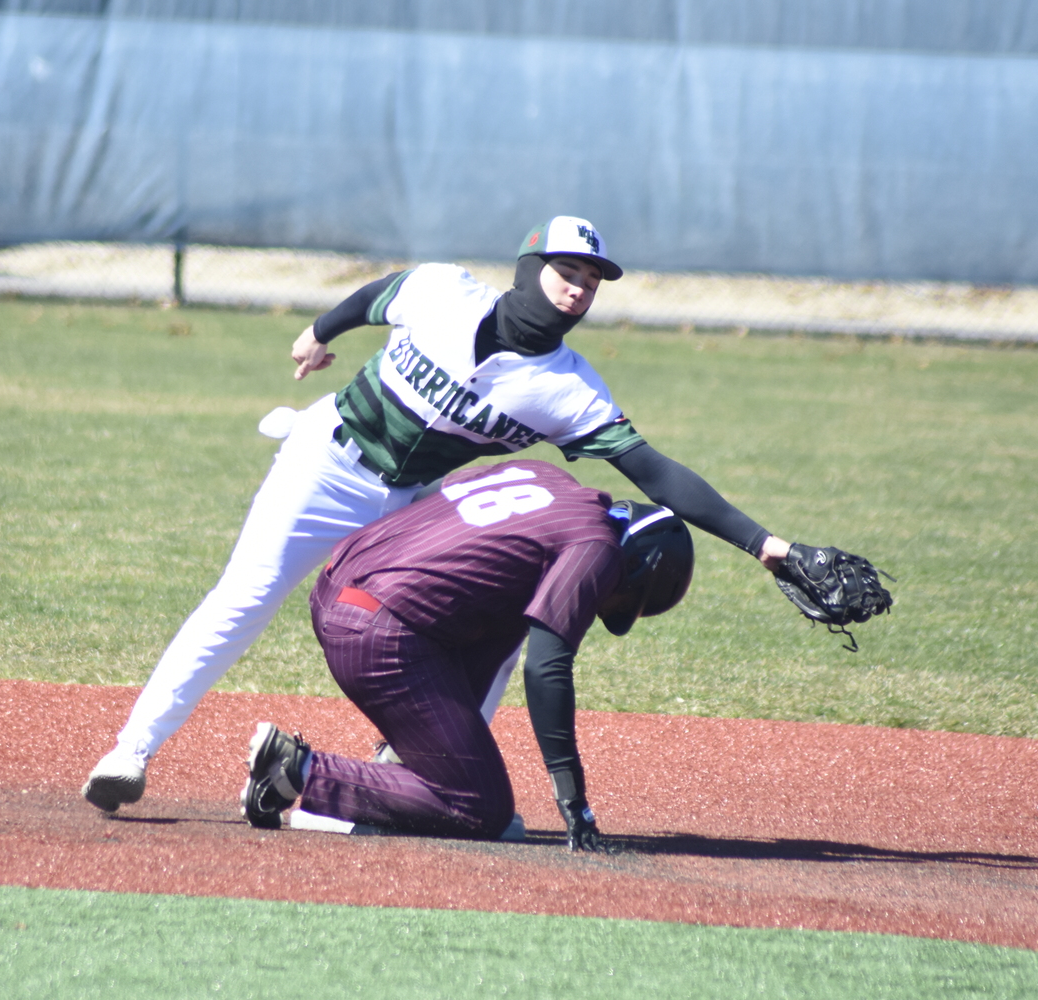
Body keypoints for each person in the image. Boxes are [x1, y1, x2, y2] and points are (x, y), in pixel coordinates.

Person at [83, 216, 793, 812]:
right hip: (327, 464)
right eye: (566, 269)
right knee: (244, 598)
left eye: (592, 280)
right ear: (529, 265)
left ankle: (418, 769)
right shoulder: (446, 291)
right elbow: (376, 298)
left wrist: (765, 545)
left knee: (499, 619)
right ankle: (131, 749)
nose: (578, 287)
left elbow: (655, 471)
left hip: (413, 506)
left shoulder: (569, 390)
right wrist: (318, 331)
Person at [239, 459, 694, 848]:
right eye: (617, 598)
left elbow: (434, 499)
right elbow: (546, 669)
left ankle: (401, 762)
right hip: (377, 629)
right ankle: (298, 769)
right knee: (480, 809)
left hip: (341, 585)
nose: (601, 605)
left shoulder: (544, 476)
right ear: (635, 568)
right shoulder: (600, 547)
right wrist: (573, 802)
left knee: (512, 610)